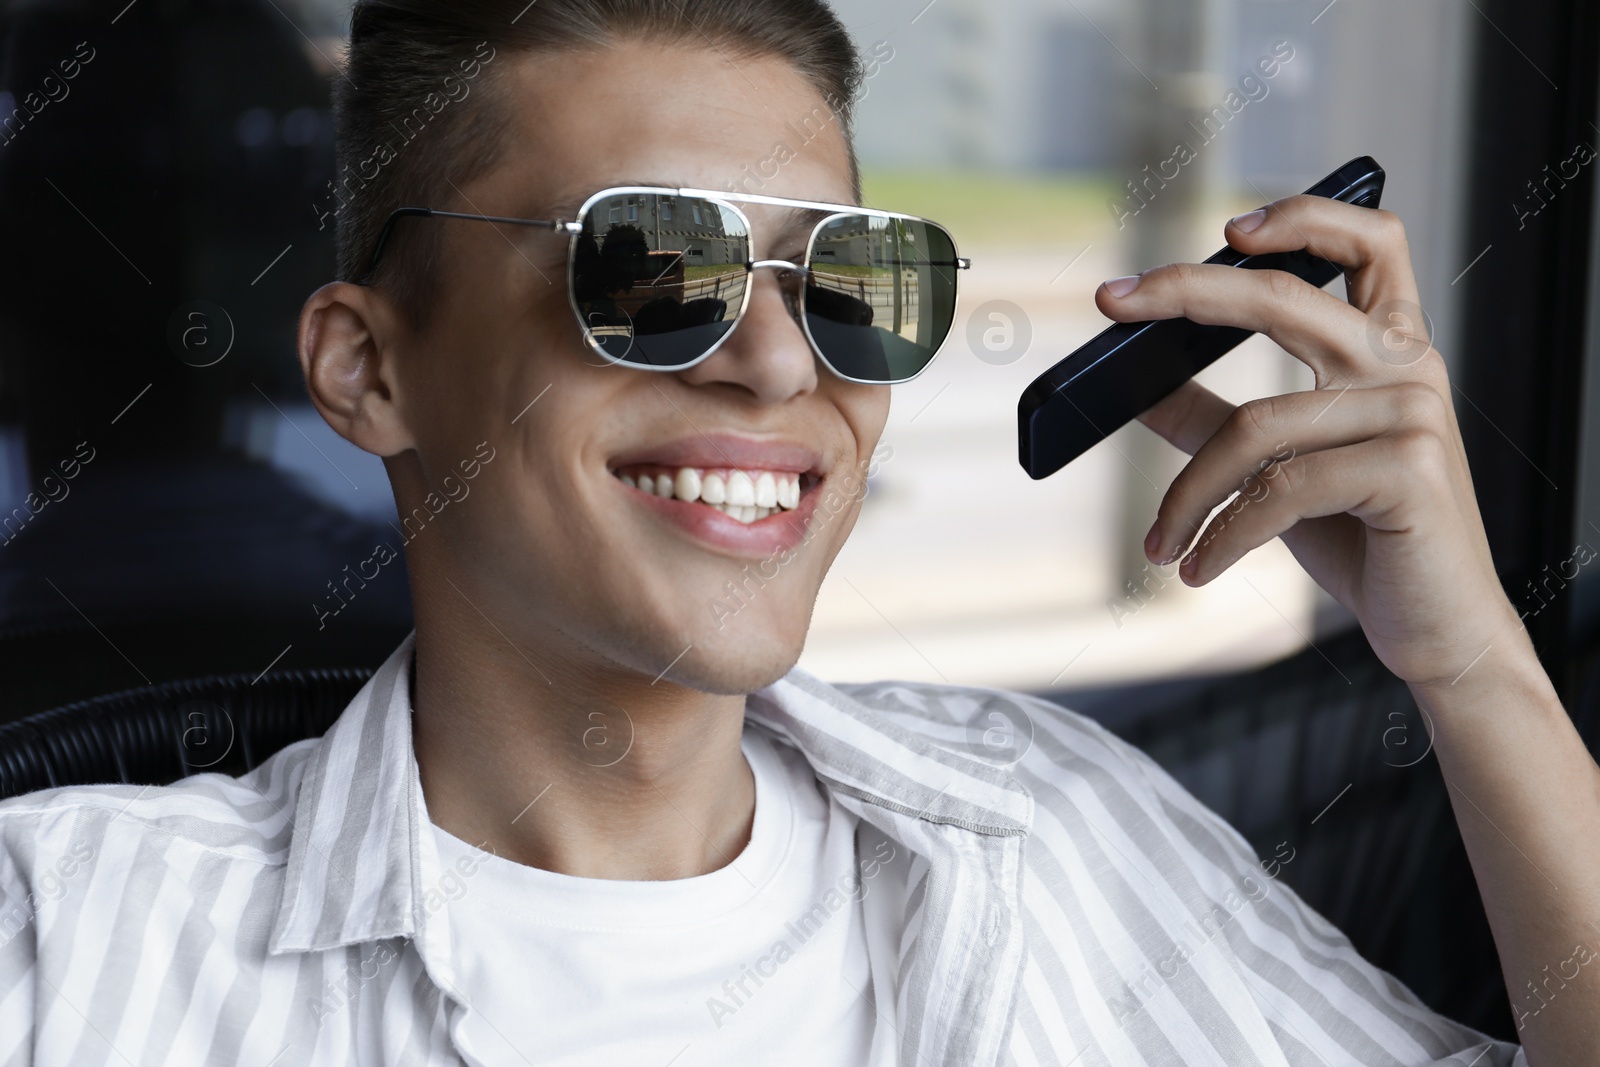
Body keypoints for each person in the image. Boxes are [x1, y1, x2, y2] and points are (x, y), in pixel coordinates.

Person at [2, 1, 1597, 1064]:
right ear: (371, 366)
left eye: (852, 282)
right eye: (647, 273)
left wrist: (1466, 660)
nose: (781, 361)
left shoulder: (1047, 838)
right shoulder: (67, 942)